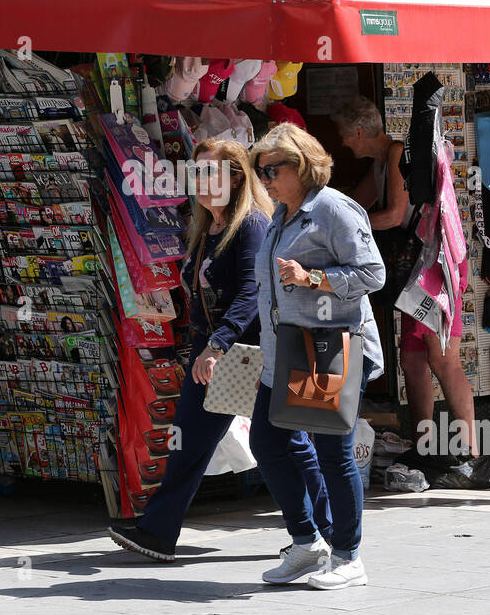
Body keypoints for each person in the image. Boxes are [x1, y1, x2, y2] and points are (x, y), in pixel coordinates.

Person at [109, 138, 333, 560]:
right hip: (215, 349)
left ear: (237, 178)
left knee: (288, 442)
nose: (202, 182)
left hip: (245, 350)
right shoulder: (205, 227)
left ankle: (325, 531)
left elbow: (251, 293)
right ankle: (157, 530)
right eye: (197, 174)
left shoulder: (249, 224)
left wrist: (217, 344)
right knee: (192, 439)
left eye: (211, 173)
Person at [248, 124, 385, 590]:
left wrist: (313, 279)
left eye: (272, 169)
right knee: (268, 443)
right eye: (259, 171)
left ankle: (348, 555)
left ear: (302, 165)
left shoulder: (333, 208)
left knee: (332, 452)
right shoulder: (281, 213)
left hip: (332, 347)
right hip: (285, 349)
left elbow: (372, 273)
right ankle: (306, 543)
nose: (264, 179)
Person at [333, 98, 484, 480]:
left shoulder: (398, 152)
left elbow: (392, 215)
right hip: (416, 271)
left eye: (345, 137)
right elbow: (357, 204)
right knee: (412, 361)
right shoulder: (380, 162)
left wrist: (347, 228)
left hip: (435, 267)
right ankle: (425, 447)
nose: (344, 144)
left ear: (359, 132)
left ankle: (470, 455)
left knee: (441, 359)